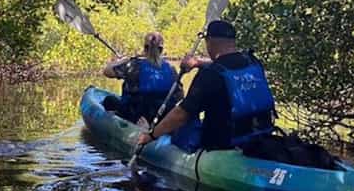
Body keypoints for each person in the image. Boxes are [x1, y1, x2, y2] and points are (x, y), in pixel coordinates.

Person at [136, 20, 276, 151]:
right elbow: (227, 66)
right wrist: (198, 63)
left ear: (209, 42)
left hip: (222, 147)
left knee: (187, 124)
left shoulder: (210, 75)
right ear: (233, 41)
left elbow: (181, 115)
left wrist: (151, 136)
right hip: (260, 138)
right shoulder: (253, 61)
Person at [102, 31, 182, 123]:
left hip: (136, 116)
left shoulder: (134, 65)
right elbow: (179, 96)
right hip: (160, 118)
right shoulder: (172, 69)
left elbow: (107, 71)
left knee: (109, 100)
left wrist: (122, 60)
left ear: (145, 48)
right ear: (161, 50)